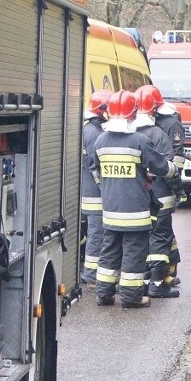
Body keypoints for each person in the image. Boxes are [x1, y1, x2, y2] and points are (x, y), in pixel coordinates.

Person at [89, 90, 178, 309]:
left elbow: (96, 170)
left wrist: (108, 188)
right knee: (134, 253)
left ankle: (104, 294)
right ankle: (131, 297)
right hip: (136, 212)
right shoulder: (139, 141)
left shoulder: (100, 140)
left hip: (110, 210)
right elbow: (161, 167)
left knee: (109, 252)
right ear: (133, 114)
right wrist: (173, 170)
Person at [135, 85, 184, 298]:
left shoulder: (126, 135)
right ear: (154, 110)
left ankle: (148, 279)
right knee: (160, 237)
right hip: (161, 196)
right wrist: (180, 191)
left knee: (145, 239)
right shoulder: (157, 134)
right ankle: (157, 283)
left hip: (137, 199)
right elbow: (168, 169)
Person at [148, 85, 186, 284]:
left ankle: (167, 273)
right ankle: (162, 276)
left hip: (161, 187)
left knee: (161, 233)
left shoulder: (170, 124)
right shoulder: (150, 130)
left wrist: (176, 185)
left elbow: (176, 160)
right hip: (157, 189)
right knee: (162, 234)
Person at [80, 89, 112, 290]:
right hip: (94, 194)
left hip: (92, 193)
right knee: (97, 234)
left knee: (95, 233)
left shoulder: (92, 129)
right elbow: (95, 166)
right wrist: (107, 187)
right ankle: (91, 275)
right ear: (102, 110)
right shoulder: (92, 132)